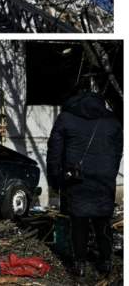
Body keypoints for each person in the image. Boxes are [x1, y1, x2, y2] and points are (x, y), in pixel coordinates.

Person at [47, 89, 121, 277]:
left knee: (78, 223)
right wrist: (110, 174)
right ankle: (105, 261)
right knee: (103, 221)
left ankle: (79, 264)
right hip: (103, 180)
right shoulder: (112, 121)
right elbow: (117, 152)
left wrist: (55, 179)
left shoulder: (66, 118)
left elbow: (54, 151)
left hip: (76, 179)